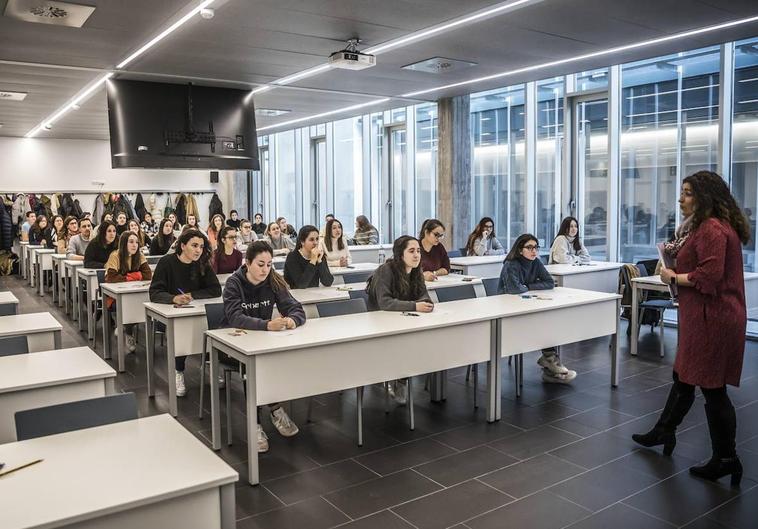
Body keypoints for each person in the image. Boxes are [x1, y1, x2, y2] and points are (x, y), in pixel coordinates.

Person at [632, 171, 750, 485]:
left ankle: (726, 458)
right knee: (684, 376)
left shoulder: (712, 227)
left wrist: (672, 277)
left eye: (687, 193)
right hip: (704, 316)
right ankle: (664, 431)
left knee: (713, 389)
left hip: (715, 317)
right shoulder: (705, 225)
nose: (681, 198)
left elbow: (707, 277)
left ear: (704, 197)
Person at [222, 241, 307, 452]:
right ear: (247, 262)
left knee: (270, 360)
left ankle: (274, 407)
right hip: (232, 343)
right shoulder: (234, 283)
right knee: (254, 365)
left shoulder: (272, 280)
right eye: (260, 264)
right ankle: (257, 421)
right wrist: (267, 325)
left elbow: (295, 308)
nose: (265, 269)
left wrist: (292, 320)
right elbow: (235, 317)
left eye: (269, 264)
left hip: (262, 340)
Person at [149, 229, 221, 397]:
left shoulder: (202, 263)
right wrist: (173, 298)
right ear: (182, 245)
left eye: (201, 247)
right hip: (171, 315)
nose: (198, 250)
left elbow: (215, 289)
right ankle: (178, 371)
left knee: (212, 325)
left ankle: (209, 363)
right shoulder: (167, 262)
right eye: (194, 245)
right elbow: (154, 292)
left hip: (195, 310)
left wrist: (193, 295)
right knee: (184, 333)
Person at [498, 234, 577, 384]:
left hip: (525, 305)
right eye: (529, 247)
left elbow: (549, 283)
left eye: (535, 247)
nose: (534, 251)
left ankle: (549, 363)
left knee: (548, 319)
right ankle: (550, 361)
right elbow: (514, 289)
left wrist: (527, 287)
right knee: (543, 322)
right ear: (520, 250)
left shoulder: (536, 262)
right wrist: (528, 287)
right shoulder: (511, 264)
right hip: (507, 310)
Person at [366, 235, 434, 403]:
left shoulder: (416, 270)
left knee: (422, 341)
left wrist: (426, 303)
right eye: (411, 251)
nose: (416, 255)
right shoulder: (386, 270)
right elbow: (385, 303)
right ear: (400, 254)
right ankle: (398, 378)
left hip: (402, 320)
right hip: (379, 323)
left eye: (418, 251)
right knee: (408, 344)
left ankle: (401, 379)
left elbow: (424, 296)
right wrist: (415, 306)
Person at [105, 231, 153, 352]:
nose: (134, 245)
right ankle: (128, 332)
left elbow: (148, 275)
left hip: (135, 295)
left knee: (142, 305)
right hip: (116, 297)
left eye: (136, 242)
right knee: (130, 306)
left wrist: (128, 277)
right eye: (131, 242)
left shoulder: (139, 255)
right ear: (124, 244)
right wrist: (135, 276)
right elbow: (111, 278)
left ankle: (124, 327)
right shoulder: (115, 255)